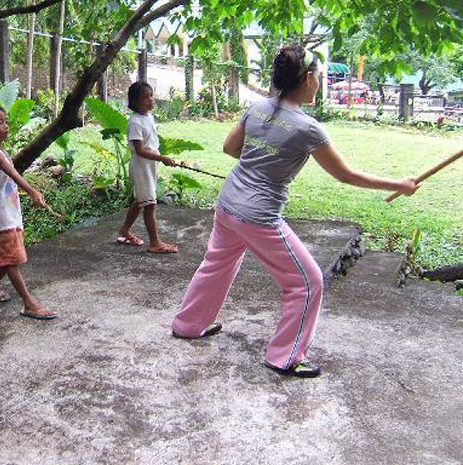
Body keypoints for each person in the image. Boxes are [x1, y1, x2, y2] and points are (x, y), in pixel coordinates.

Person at [171, 46, 417, 378]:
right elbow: (344, 175)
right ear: (306, 79)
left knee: (215, 264)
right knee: (307, 281)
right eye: (318, 77)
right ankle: (285, 357)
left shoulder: (256, 108)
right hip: (258, 216)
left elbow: (230, 148)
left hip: (229, 204)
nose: (319, 83)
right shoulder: (307, 128)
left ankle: (188, 324)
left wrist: (261, 162)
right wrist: (397, 184)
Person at [0, 104, 57, 320]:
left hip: (10, 214)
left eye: (6, 121)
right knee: (12, 260)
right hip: (1, 217)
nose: (5, 126)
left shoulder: (0, 151)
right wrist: (32, 191)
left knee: (8, 257)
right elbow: (12, 173)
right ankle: (29, 303)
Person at [116, 82, 178, 254]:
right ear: (134, 101)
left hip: (149, 164)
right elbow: (139, 150)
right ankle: (155, 242)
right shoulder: (135, 122)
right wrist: (162, 158)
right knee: (149, 204)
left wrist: (159, 159)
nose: (150, 100)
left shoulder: (149, 117)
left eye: (151, 95)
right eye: (145, 97)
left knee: (141, 200)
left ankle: (124, 231)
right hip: (141, 165)